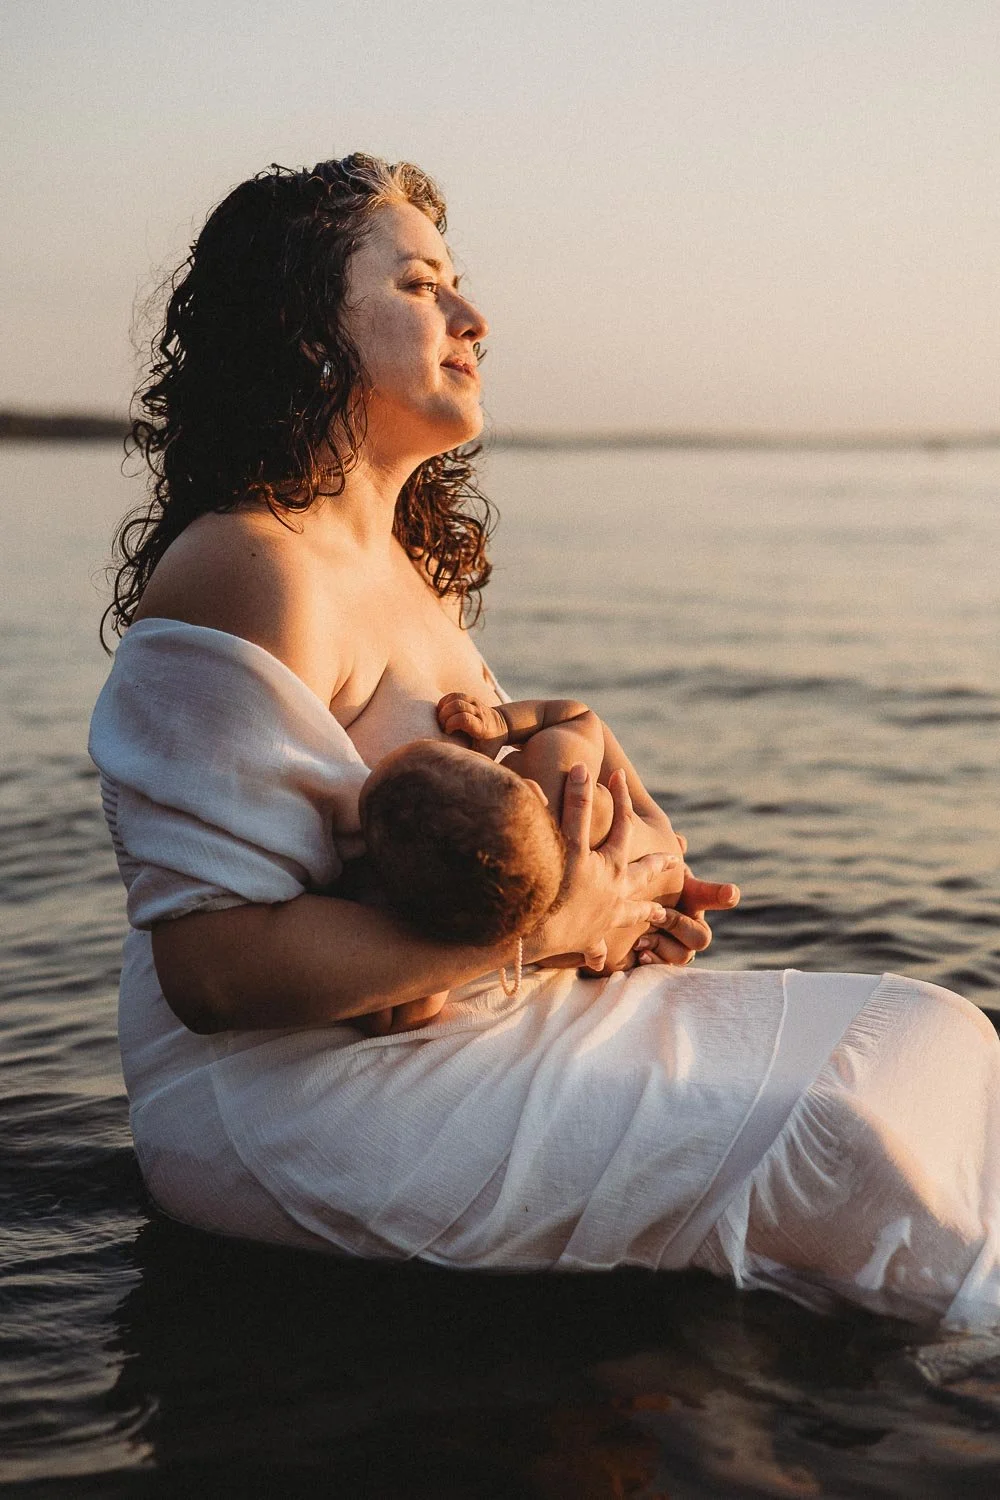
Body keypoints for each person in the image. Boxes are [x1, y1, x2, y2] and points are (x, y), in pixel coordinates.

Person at [89, 154, 1000, 1328]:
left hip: (468, 1020)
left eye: (456, 283)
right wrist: (556, 923)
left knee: (933, 1034)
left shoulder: (410, 579)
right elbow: (213, 971)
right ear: (305, 332)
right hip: (289, 1103)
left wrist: (618, 906)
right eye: (421, 286)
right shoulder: (249, 564)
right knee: (847, 1147)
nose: (472, 317)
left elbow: (468, 872)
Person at [351, 692, 686, 985]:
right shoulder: (557, 780)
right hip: (662, 859)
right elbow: (579, 716)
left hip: (622, 940)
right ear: (531, 790)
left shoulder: (481, 926)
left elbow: (405, 1012)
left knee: (588, 951)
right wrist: (503, 723)